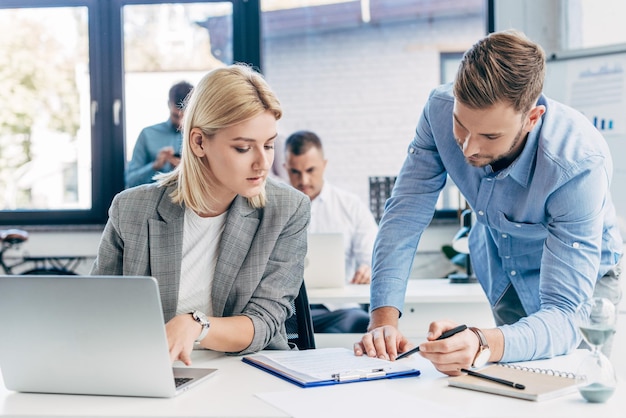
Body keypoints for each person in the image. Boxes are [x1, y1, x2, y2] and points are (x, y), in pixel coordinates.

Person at [354, 30, 623, 374]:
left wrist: (483, 341)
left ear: (532, 118)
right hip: (502, 263)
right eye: (461, 125)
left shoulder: (577, 164)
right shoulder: (438, 109)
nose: (467, 148)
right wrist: (382, 320)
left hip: (581, 280)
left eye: (490, 136)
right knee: (506, 382)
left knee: (567, 385)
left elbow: (565, 313)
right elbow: (404, 214)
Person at [91, 64, 311, 365]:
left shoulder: (288, 209)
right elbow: (98, 311)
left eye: (269, 145)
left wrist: (195, 324)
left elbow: (264, 322)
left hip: (247, 372)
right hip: (152, 370)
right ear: (198, 142)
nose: (263, 163)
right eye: (244, 148)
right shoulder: (130, 210)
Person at [284, 130, 378, 333]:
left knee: (360, 322)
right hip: (288, 312)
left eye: (311, 170)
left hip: (338, 310)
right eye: (295, 172)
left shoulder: (351, 206)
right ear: (285, 168)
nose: (304, 180)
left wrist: (368, 269)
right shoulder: (274, 208)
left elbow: (372, 258)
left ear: (324, 165)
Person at [126, 81, 194, 188]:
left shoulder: (203, 137)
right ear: (168, 104)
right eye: (175, 116)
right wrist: (155, 166)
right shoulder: (147, 134)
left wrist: (187, 169)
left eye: (185, 117)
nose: (180, 123)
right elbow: (130, 181)